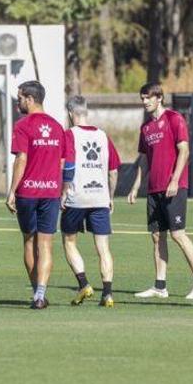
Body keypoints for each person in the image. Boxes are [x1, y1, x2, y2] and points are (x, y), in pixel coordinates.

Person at [127, 83, 193, 300]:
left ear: (159, 98)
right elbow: (144, 160)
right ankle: (160, 286)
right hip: (154, 189)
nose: (144, 102)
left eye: (148, 98)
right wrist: (136, 186)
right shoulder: (146, 128)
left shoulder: (174, 119)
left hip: (174, 188)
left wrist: (174, 180)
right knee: (156, 236)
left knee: (178, 235)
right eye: (142, 98)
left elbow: (184, 150)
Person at [6, 81, 69, 309]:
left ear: (30, 99)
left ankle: (36, 293)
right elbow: (63, 162)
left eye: (20, 98)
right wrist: (62, 188)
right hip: (50, 192)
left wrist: (12, 190)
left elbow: (21, 159)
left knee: (29, 241)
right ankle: (41, 295)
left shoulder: (23, 126)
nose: (18, 102)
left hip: (28, 192)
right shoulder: (58, 127)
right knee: (46, 245)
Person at [60, 96, 121, 307]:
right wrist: (111, 197)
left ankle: (84, 284)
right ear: (85, 112)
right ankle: (108, 294)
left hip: (77, 197)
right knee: (103, 247)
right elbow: (113, 171)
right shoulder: (103, 136)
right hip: (100, 197)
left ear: (70, 113)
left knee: (69, 241)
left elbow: (68, 166)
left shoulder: (70, 135)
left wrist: (63, 192)